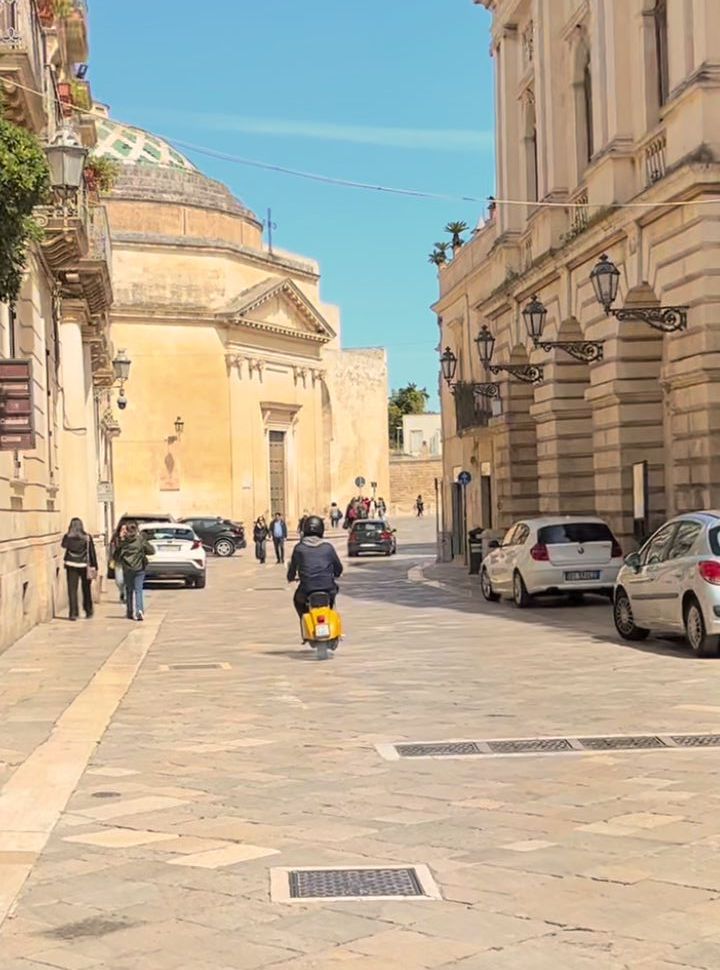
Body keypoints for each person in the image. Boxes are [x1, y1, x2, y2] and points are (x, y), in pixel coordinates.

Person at [287, 515, 343, 620]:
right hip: (328, 589)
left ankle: (304, 620)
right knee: (332, 599)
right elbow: (338, 568)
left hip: (306, 589)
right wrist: (337, 573)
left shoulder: (299, 548)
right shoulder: (328, 548)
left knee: (297, 601)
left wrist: (290, 577)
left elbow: (292, 569)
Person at [115, 521, 155, 621]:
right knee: (139, 590)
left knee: (129, 590)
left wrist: (121, 540)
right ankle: (139, 610)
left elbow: (116, 556)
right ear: (136, 530)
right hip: (139, 568)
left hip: (127, 569)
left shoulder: (123, 542)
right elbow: (151, 551)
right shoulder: (140, 540)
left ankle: (129, 611)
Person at [61, 518, 97, 621]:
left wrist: (68, 536)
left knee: (72, 590)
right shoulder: (87, 537)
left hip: (71, 564)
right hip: (84, 565)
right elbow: (91, 552)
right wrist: (94, 566)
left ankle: (73, 613)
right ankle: (88, 610)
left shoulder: (68, 537)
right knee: (86, 589)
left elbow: (63, 545)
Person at [109, 522, 128, 603]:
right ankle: (122, 592)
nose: (124, 531)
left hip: (128, 562)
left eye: (125, 529)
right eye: (122, 529)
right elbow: (113, 549)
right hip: (118, 561)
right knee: (119, 581)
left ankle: (126, 596)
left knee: (127, 580)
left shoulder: (130, 538)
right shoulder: (116, 538)